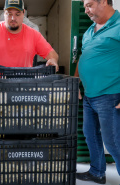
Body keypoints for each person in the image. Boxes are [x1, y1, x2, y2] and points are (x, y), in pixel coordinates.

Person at [75, 0, 120, 184]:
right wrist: (75, 81)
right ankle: (97, 172)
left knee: (113, 142)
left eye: (89, 5)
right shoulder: (89, 30)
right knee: (90, 134)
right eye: (85, 6)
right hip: (89, 95)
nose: (86, 10)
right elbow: (83, 57)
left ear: (103, 1)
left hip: (110, 94)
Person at [0, 0, 59, 70]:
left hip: (23, 83)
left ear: (23, 13)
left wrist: (53, 60)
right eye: (9, 14)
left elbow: (52, 54)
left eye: (17, 14)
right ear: (4, 13)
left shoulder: (34, 34)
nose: (13, 18)